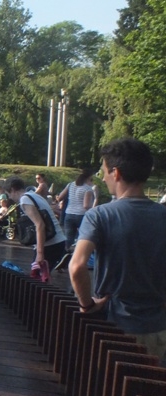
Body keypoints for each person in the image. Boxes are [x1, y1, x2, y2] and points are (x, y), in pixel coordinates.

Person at [69, 138, 166, 363]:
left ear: (116, 173)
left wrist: (86, 305)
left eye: (104, 172)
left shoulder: (100, 215)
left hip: (114, 328)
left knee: (110, 383)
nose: (103, 178)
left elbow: (77, 266)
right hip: (158, 328)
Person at [6, 176, 67, 270]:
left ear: (13, 190)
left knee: (37, 275)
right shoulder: (33, 195)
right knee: (43, 275)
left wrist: (39, 254)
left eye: (8, 194)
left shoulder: (24, 200)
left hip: (49, 244)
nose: (10, 197)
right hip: (58, 240)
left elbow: (39, 225)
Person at [56, 168, 95, 249]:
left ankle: (66, 253)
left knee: (68, 237)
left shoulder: (70, 185)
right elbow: (86, 205)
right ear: (89, 177)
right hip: (81, 215)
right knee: (83, 237)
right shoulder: (88, 189)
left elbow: (60, 197)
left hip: (69, 214)